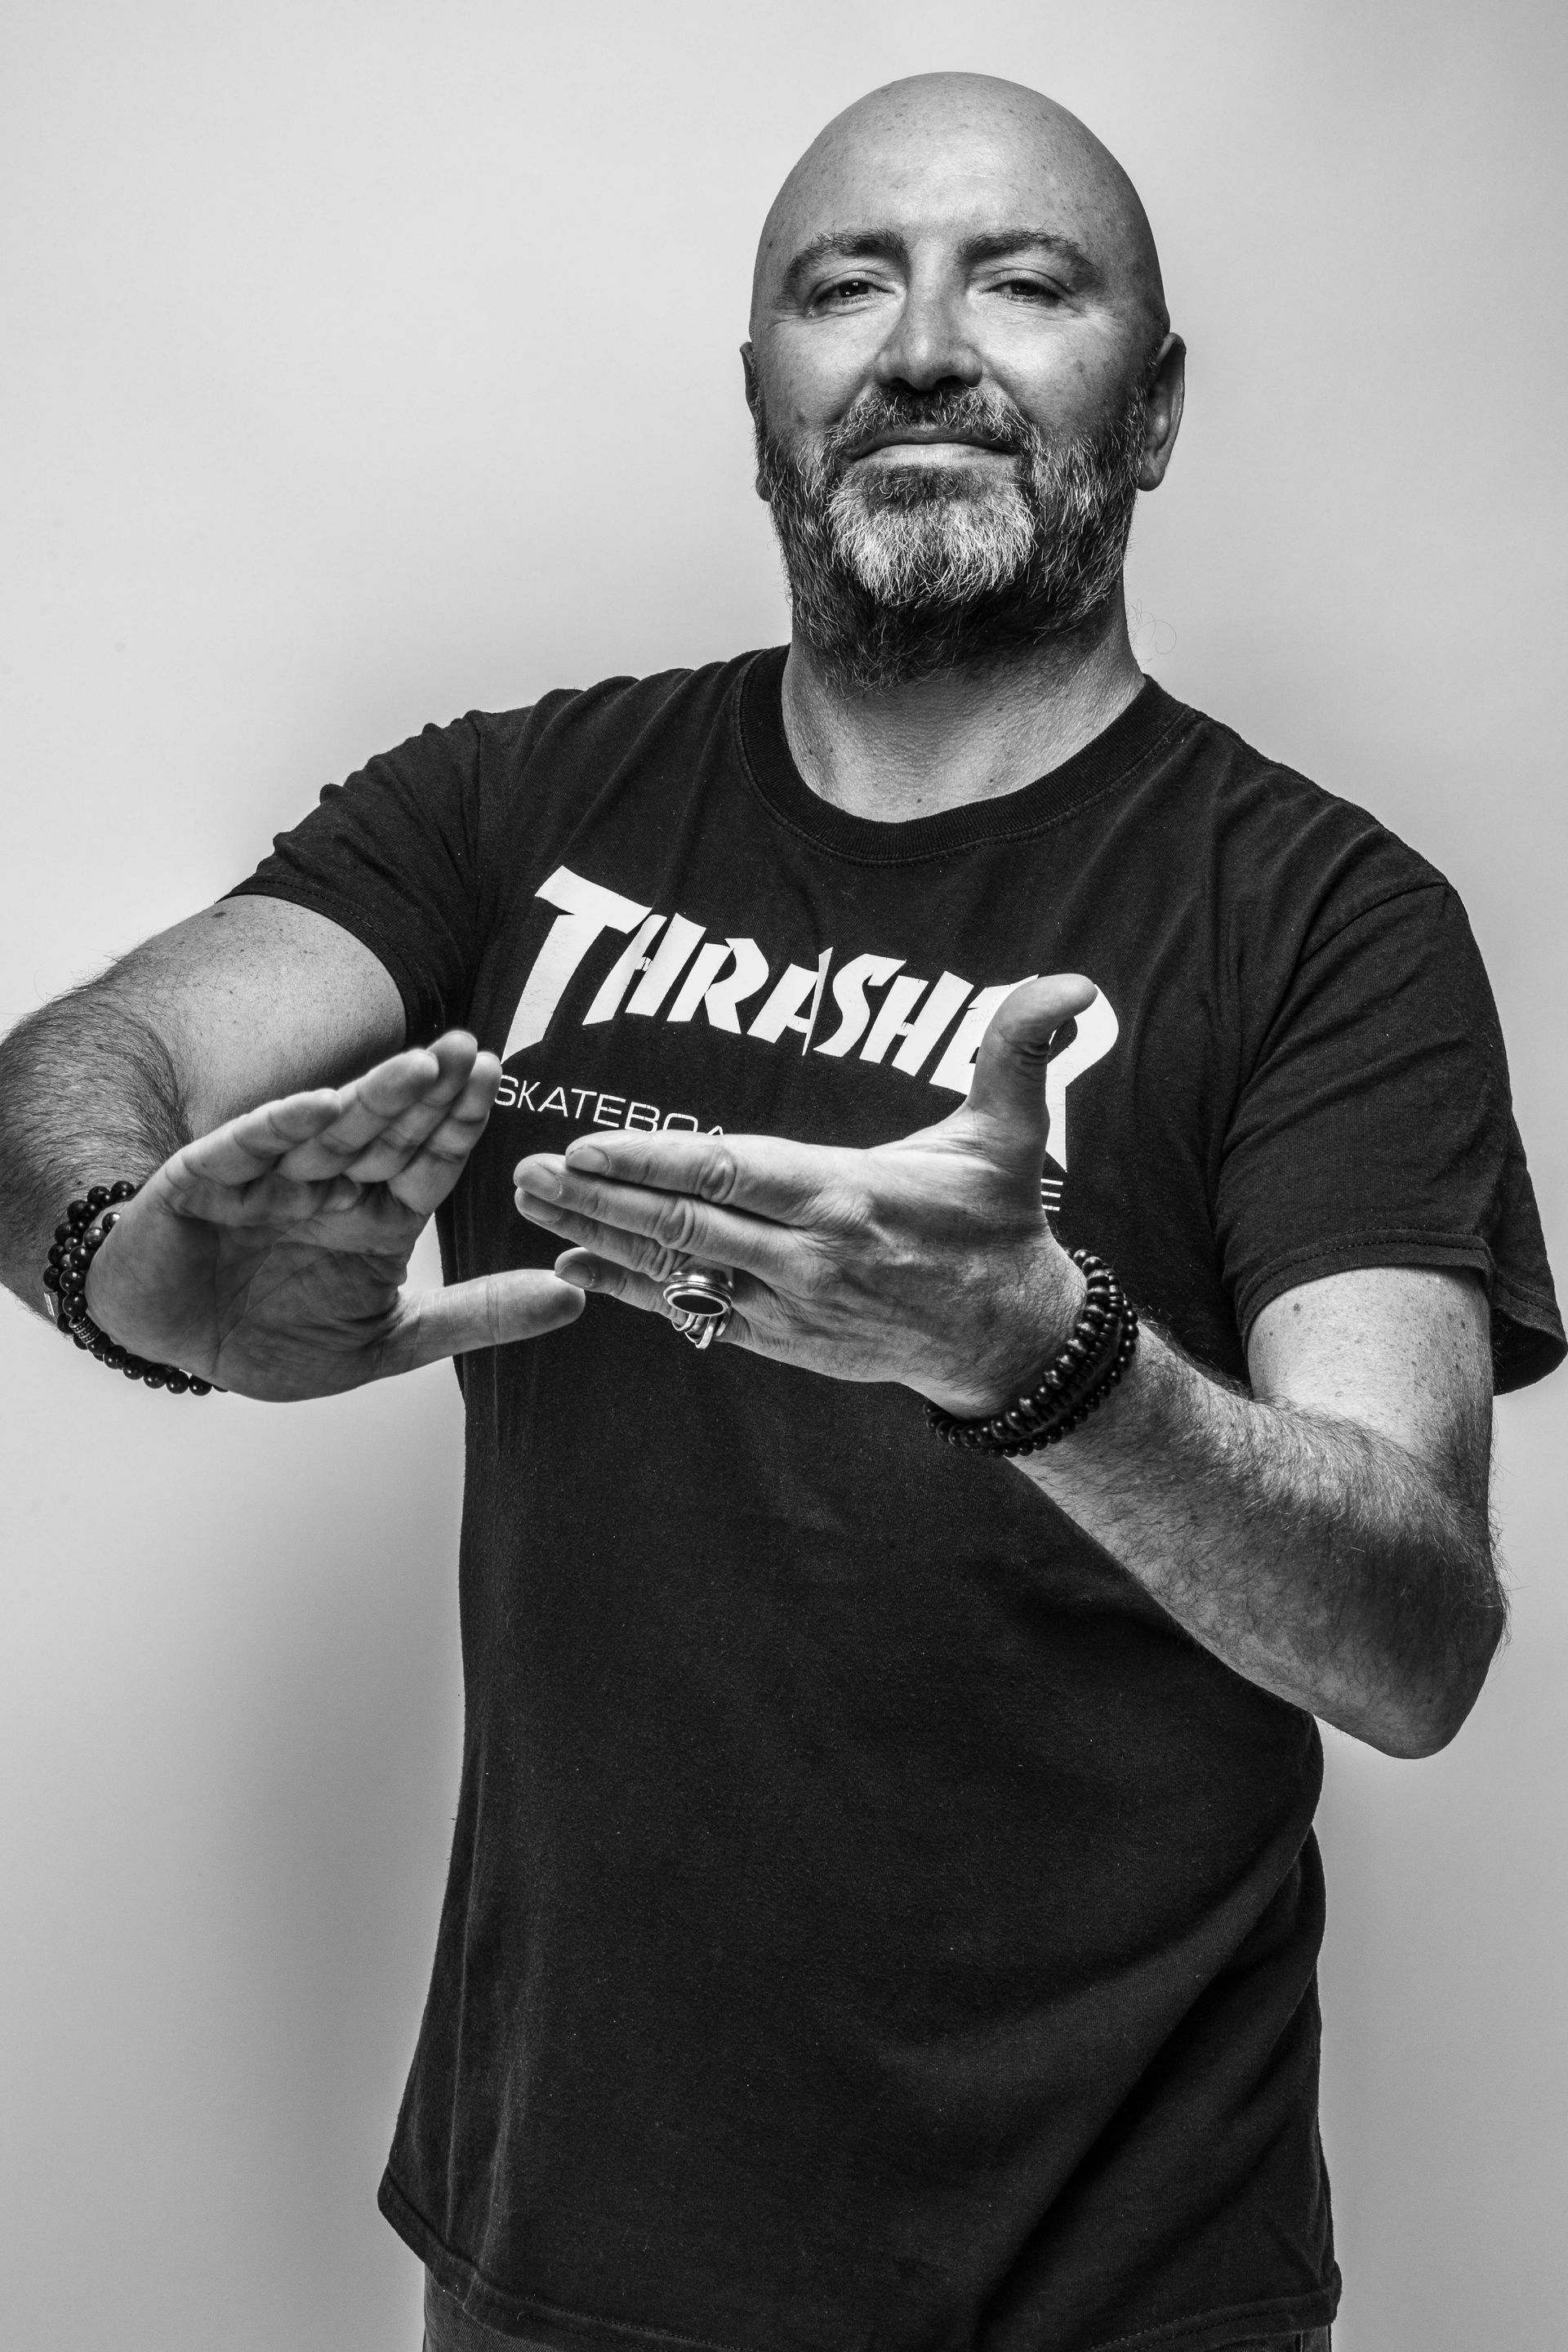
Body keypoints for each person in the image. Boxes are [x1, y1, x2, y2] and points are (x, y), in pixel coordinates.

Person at [0, 68, 1559, 2352]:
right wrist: (116, 1269)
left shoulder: (1330, 922)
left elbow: (1412, 1641)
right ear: (762, 409)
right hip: (556, 2261)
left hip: (1119, 2287)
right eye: (848, 287)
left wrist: (1043, 1361)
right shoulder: (518, 806)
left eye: (1022, 282)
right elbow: (68, 1077)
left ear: (1153, 405)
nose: (924, 346)